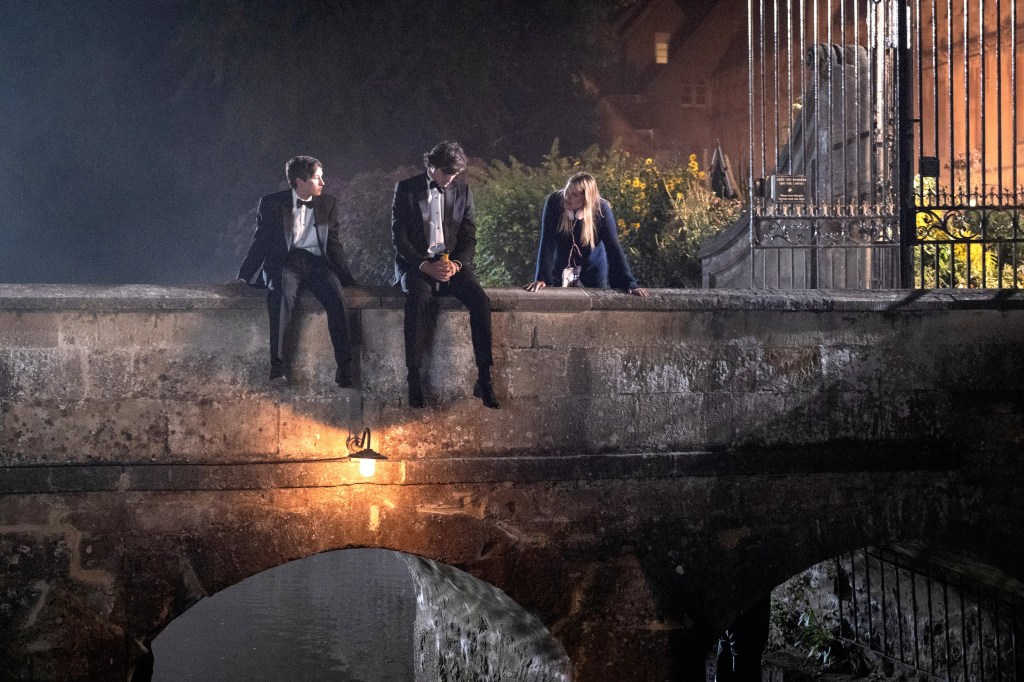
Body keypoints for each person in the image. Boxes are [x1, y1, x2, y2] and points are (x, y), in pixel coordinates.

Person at [391, 141, 499, 409]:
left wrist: (458, 265)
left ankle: (484, 376)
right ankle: (413, 377)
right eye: (446, 173)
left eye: (455, 174)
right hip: (416, 263)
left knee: (480, 301)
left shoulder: (463, 190)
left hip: (450, 262)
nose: (450, 179)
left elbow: (469, 236)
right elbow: (399, 238)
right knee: (417, 300)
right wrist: (422, 265)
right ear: (431, 166)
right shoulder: (406, 189)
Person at [234, 155, 358, 387]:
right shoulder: (271, 203)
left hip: (316, 264)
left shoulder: (327, 204)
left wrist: (348, 278)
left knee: (337, 298)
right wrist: (244, 275)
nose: (323, 183)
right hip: (284, 263)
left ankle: (344, 367)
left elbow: (333, 244)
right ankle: (277, 367)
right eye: (317, 178)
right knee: (281, 298)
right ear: (300, 182)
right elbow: (260, 242)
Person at [524, 172, 650, 297]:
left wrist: (629, 283)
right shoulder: (554, 202)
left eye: (574, 195)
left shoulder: (602, 209)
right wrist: (542, 278)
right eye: (566, 191)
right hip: (563, 265)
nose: (567, 197)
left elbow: (613, 248)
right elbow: (547, 242)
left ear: (586, 198)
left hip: (593, 266)